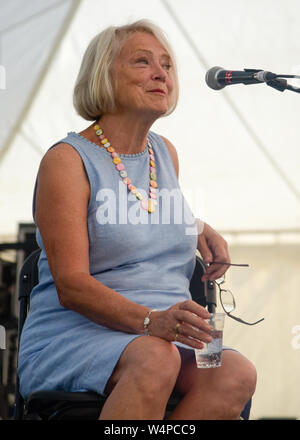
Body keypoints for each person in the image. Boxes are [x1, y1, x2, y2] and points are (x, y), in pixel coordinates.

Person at [18, 19, 257, 420]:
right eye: (142, 62)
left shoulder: (165, 152)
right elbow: (71, 286)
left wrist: (193, 225)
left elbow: (138, 207)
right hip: (82, 335)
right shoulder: (66, 159)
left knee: (235, 372)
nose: (161, 73)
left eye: (166, 64)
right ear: (103, 75)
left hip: (167, 332)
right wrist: (151, 322)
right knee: (155, 360)